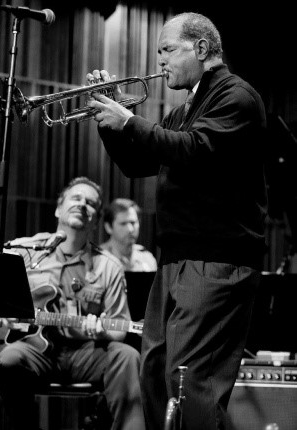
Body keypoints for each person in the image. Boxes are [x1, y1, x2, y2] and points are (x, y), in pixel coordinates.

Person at [85, 11, 268, 430]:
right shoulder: (187, 107)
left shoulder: (237, 96)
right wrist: (110, 122)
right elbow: (137, 161)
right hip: (176, 260)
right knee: (155, 373)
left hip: (216, 262)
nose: (160, 61)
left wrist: (130, 119)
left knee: (188, 380)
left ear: (201, 49)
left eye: (167, 50)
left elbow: (194, 149)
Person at [0, 176, 146, 430]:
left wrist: (101, 329)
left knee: (128, 356)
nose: (82, 205)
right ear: (58, 208)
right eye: (76, 198)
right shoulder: (26, 252)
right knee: (9, 359)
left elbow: (120, 328)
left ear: (97, 220)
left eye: (90, 203)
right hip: (37, 350)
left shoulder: (109, 266)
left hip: (86, 353)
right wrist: (4, 315)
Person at [100, 198, 157, 272]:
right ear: (109, 227)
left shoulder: (147, 258)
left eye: (133, 223)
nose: (130, 229)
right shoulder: (99, 259)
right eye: (123, 224)